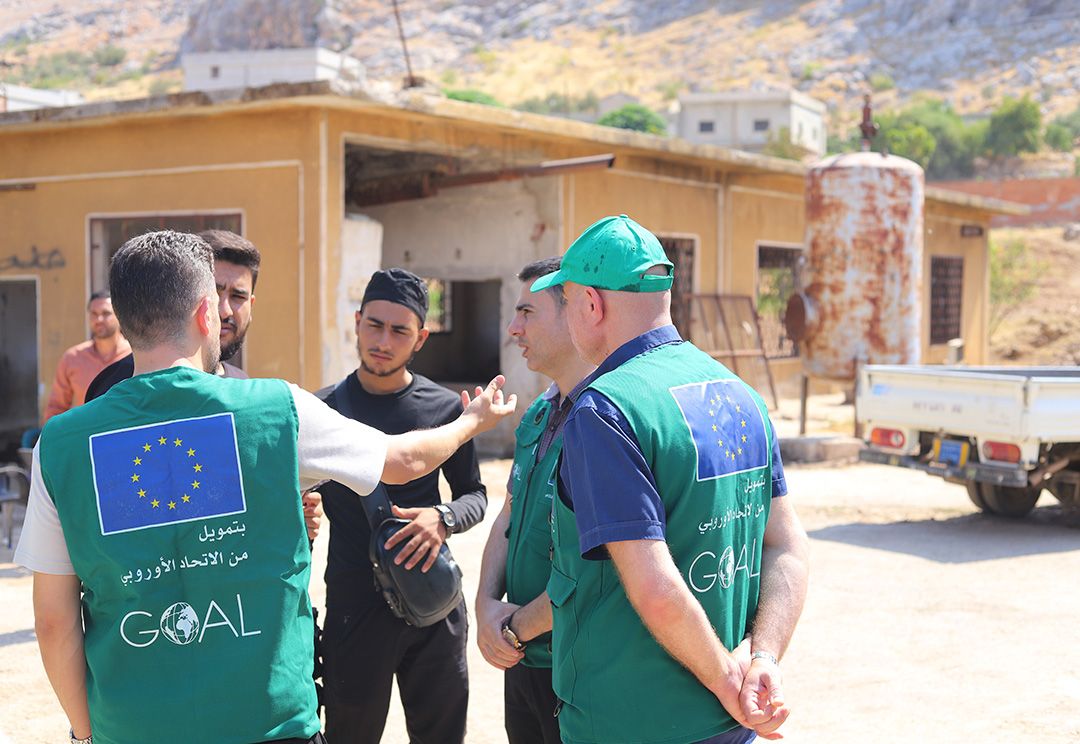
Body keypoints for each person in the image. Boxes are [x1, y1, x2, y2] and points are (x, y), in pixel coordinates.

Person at [14, 231, 516, 744]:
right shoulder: (278, 410)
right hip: (268, 723)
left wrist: (86, 731)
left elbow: (53, 622)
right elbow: (405, 460)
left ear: (123, 318)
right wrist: (471, 420)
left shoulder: (62, 444)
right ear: (205, 316)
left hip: (132, 727)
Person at [530, 215, 810, 744]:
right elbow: (788, 546)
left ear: (593, 305)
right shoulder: (742, 395)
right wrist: (762, 659)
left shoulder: (604, 410)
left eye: (566, 302)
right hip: (729, 723)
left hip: (629, 721)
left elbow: (657, 588)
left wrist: (730, 683)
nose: (567, 317)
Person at [316, 268, 487, 744]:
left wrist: (444, 518)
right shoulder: (323, 410)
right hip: (354, 607)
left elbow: (475, 494)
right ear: (356, 322)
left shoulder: (444, 409)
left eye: (399, 331)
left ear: (420, 338)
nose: (382, 340)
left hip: (434, 603)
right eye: (374, 325)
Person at [475, 257, 595, 744]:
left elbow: (598, 567)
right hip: (522, 660)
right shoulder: (541, 411)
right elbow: (508, 515)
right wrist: (485, 605)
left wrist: (513, 628)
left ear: (574, 315)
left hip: (576, 669)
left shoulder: (608, 422)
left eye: (527, 312)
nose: (512, 328)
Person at [84, 229, 257, 399]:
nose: (224, 310)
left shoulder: (244, 388)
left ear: (251, 304)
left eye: (238, 296)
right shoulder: (111, 388)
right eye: (215, 294)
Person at [41, 291, 132, 424]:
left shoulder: (135, 354)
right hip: (85, 437)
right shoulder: (72, 358)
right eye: (94, 314)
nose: (99, 320)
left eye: (106, 313)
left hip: (125, 435)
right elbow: (56, 408)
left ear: (119, 315)